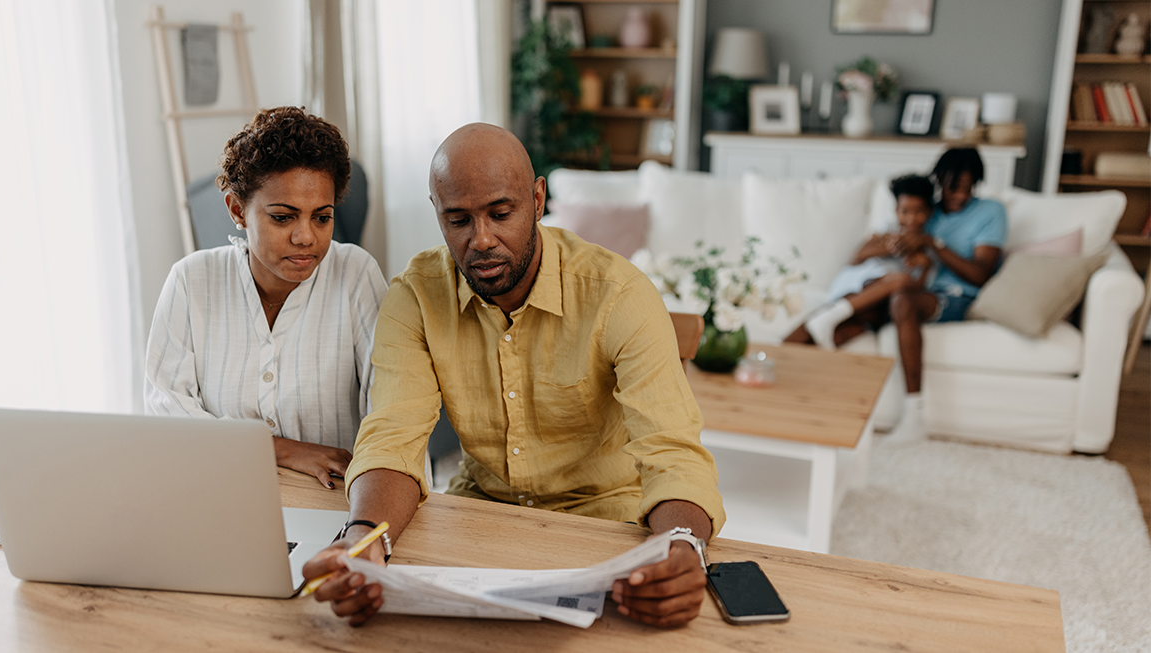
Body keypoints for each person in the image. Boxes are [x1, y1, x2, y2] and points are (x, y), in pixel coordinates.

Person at [303, 123, 724, 628]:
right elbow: (391, 434)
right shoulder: (414, 297)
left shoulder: (618, 295)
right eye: (457, 219)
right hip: (482, 516)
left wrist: (683, 546)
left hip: (610, 526)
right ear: (436, 213)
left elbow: (672, 450)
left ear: (538, 199)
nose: (481, 240)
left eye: (501, 214)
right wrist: (365, 537)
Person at [144, 107, 388, 489]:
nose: (306, 236)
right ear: (237, 210)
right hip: (222, 495)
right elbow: (168, 416)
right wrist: (281, 449)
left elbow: (390, 413)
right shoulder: (192, 281)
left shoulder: (355, 274)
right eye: (283, 217)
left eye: (321, 217)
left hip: (336, 503)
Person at [786, 148, 1006, 441]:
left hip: (952, 296)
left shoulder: (990, 211)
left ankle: (914, 416)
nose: (961, 196)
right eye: (954, 188)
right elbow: (870, 250)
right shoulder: (928, 210)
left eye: (969, 189)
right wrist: (898, 247)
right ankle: (774, 366)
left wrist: (932, 244)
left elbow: (980, 273)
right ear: (940, 182)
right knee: (846, 317)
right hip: (906, 293)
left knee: (899, 296)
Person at [790, 174, 936, 351]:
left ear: (929, 212)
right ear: (896, 210)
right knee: (899, 280)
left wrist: (924, 265)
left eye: (918, 211)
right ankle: (783, 352)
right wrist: (890, 247)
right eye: (905, 211)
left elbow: (917, 289)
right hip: (858, 291)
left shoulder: (928, 245)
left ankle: (825, 322)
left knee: (839, 334)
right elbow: (857, 256)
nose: (911, 218)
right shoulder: (888, 230)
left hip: (878, 310)